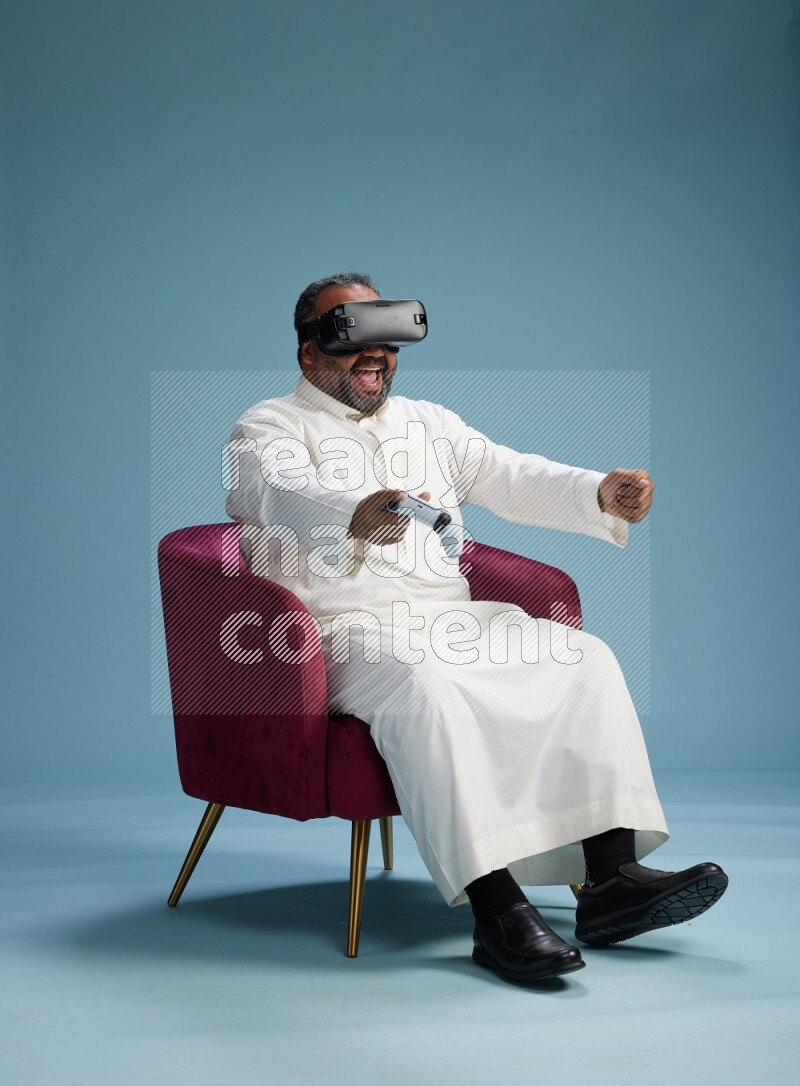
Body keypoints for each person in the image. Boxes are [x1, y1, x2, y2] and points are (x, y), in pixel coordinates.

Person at [225, 271, 728, 983]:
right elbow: (280, 491)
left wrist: (597, 492)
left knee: (582, 657)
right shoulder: (265, 428)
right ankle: (497, 912)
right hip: (342, 631)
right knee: (424, 681)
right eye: (351, 335)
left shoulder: (429, 422)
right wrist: (352, 513)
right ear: (309, 352)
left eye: (386, 335)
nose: (375, 354)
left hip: (449, 616)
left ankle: (611, 879)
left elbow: (510, 474)